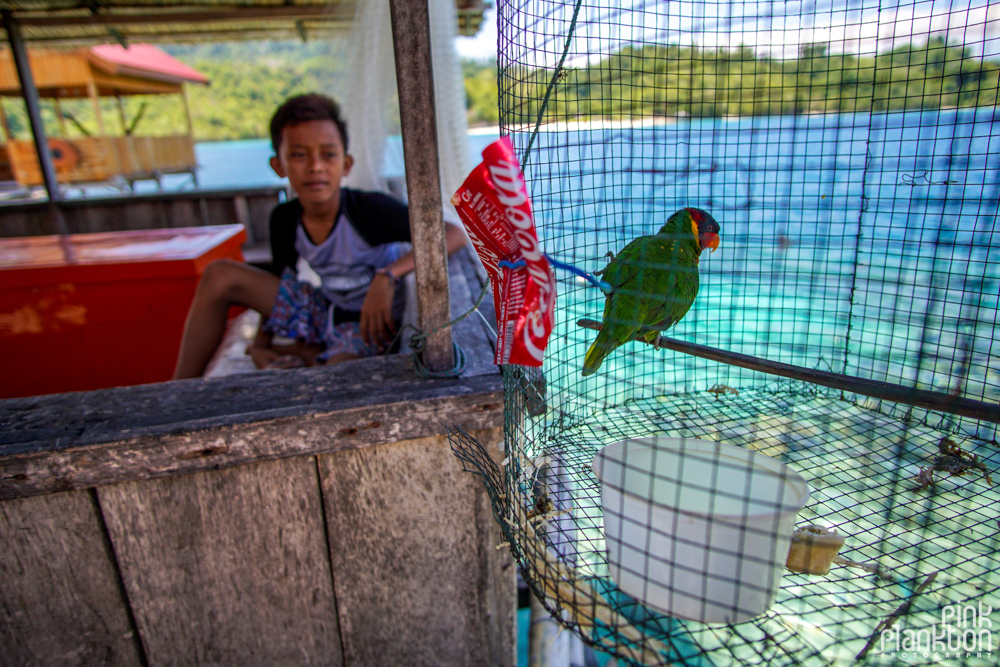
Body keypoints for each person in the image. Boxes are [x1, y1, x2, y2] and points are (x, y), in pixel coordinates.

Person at [172, 93, 467, 379]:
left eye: (328, 155)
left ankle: (312, 354)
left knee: (334, 378)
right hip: (324, 308)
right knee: (219, 275)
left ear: (346, 164)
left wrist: (389, 275)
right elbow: (283, 281)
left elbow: (454, 232)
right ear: (279, 166)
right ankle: (179, 392)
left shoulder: (369, 210)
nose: (315, 166)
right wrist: (259, 347)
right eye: (299, 155)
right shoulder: (285, 219)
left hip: (368, 322)